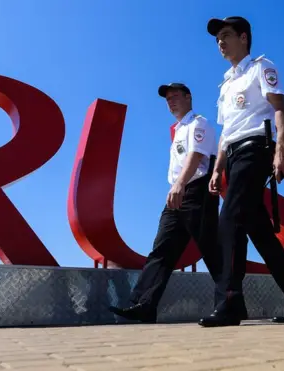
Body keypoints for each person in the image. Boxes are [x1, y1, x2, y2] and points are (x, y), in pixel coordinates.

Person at [198, 16, 284, 327]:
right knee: (261, 234)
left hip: (256, 148)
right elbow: (226, 132)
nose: (220, 42)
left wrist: (281, 150)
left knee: (229, 221)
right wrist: (217, 170)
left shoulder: (261, 67)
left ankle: (229, 303)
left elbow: (281, 107)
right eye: (217, 39)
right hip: (235, 154)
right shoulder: (225, 84)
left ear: (243, 37)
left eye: (225, 35)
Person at [109, 82, 222, 323]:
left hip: (196, 191)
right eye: (167, 99)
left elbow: (197, 156)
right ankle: (144, 305)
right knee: (162, 249)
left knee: (211, 249)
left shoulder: (198, 123)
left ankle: (230, 302)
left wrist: (180, 184)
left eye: (175, 96)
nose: (170, 101)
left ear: (188, 97)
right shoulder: (178, 129)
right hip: (177, 193)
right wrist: (176, 187)